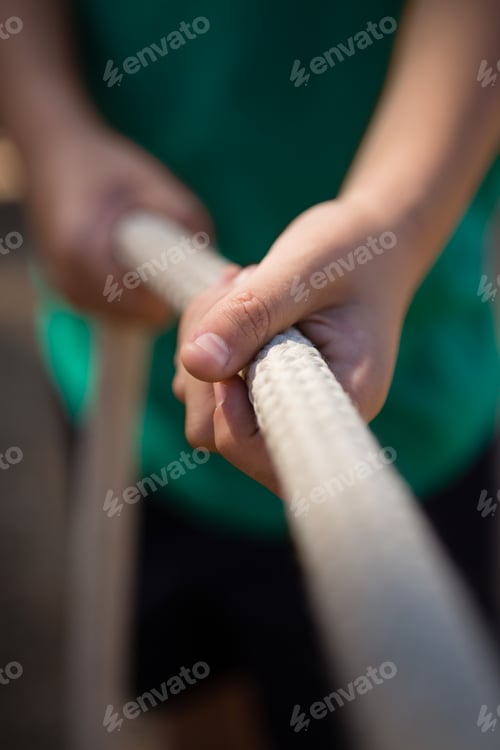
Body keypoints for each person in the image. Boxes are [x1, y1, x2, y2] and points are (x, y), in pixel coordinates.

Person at [0, 0, 499, 747]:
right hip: (122, 395)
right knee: (184, 695)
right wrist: (51, 131)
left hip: (407, 419)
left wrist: (390, 226)